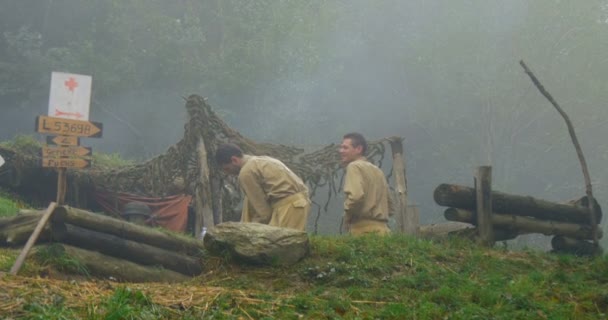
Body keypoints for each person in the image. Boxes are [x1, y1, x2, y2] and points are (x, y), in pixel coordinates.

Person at [215, 143, 310, 231]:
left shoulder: (246, 173)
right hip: (299, 204)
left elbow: (263, 212)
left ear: (234, 160)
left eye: (227, 169)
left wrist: (248, 229)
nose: (228, 173)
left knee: (280, 246)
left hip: (287, 208)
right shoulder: (263, 160)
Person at [339, 132, 391, 235]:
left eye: (345, 148)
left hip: (363, 231)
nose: (340, 151)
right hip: (384, 232)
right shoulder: (378, 171)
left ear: (358, 149)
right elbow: (390, 205)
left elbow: (356, 197)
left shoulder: (353, 167)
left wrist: (347, 213)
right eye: (341, 147)